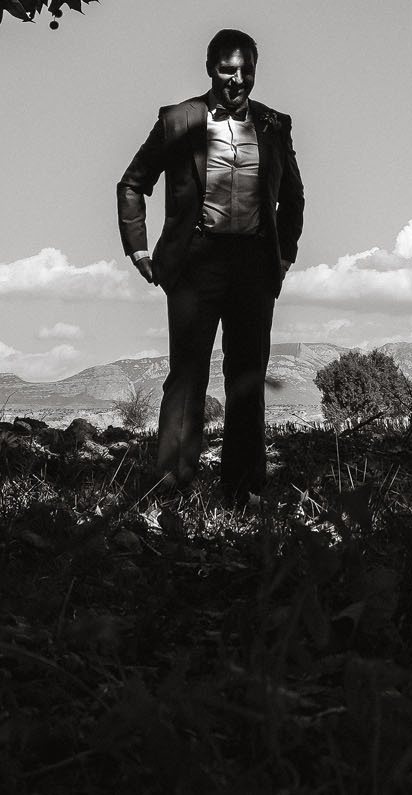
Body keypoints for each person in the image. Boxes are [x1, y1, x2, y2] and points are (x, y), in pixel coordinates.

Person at [117, 29, 304, 501]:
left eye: (246, 71)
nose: (237, 79)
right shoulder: (178, 120)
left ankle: (243, 490)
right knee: (187, 374)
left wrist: (282, 256)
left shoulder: (274, 125)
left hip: (254, 267)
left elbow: (294, 198)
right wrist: (138, 248)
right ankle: (172, 486)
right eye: (227, 69)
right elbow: (133, 183)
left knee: (247, 377)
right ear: (210, 69)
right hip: (194, 263)